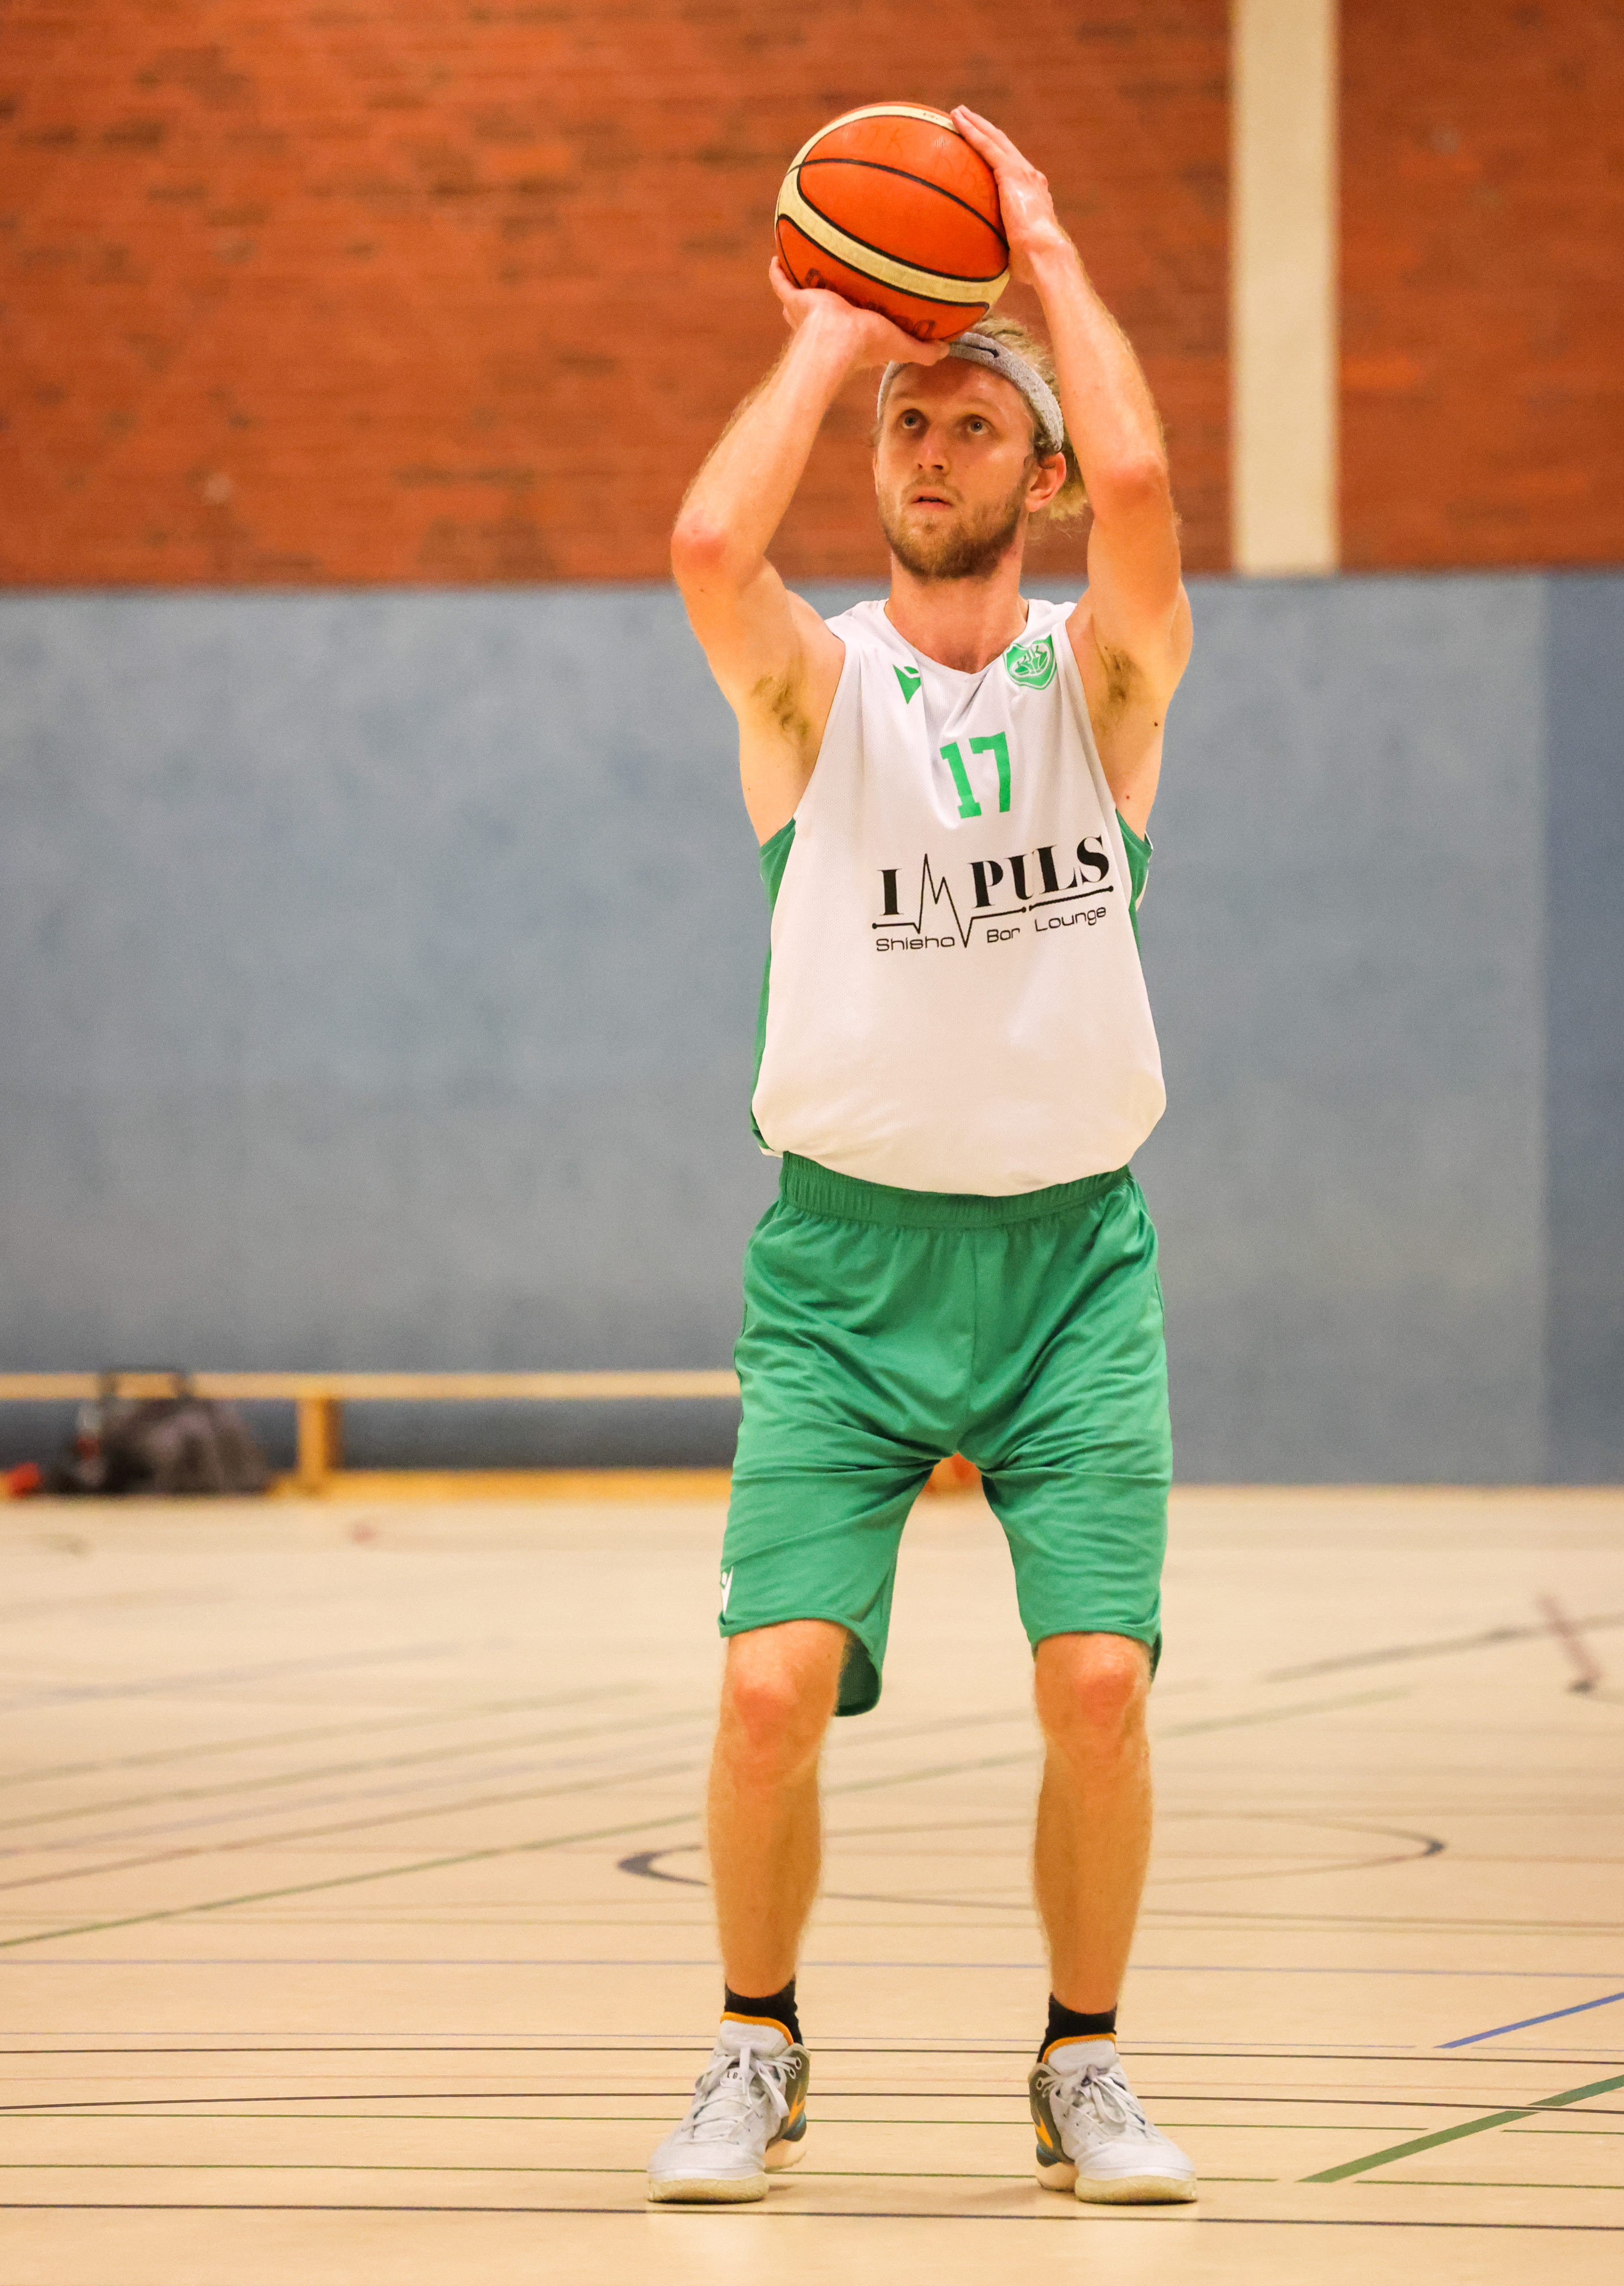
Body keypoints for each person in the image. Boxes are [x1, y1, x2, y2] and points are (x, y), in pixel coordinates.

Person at [648, 106, 1196, 2208]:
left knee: (1099, 1688)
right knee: (767, 1696)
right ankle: (755, 2046)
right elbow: (711, 549)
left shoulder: (1102, 682)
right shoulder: (818, 693)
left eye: (973, 423)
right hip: (843, 1277)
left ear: (1032, 474)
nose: (931, 446)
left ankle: (1082, 2065)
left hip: (1072, 1272)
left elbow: (1144, 488)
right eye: (909, 421)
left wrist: (1039, 247)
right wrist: (832, 322)